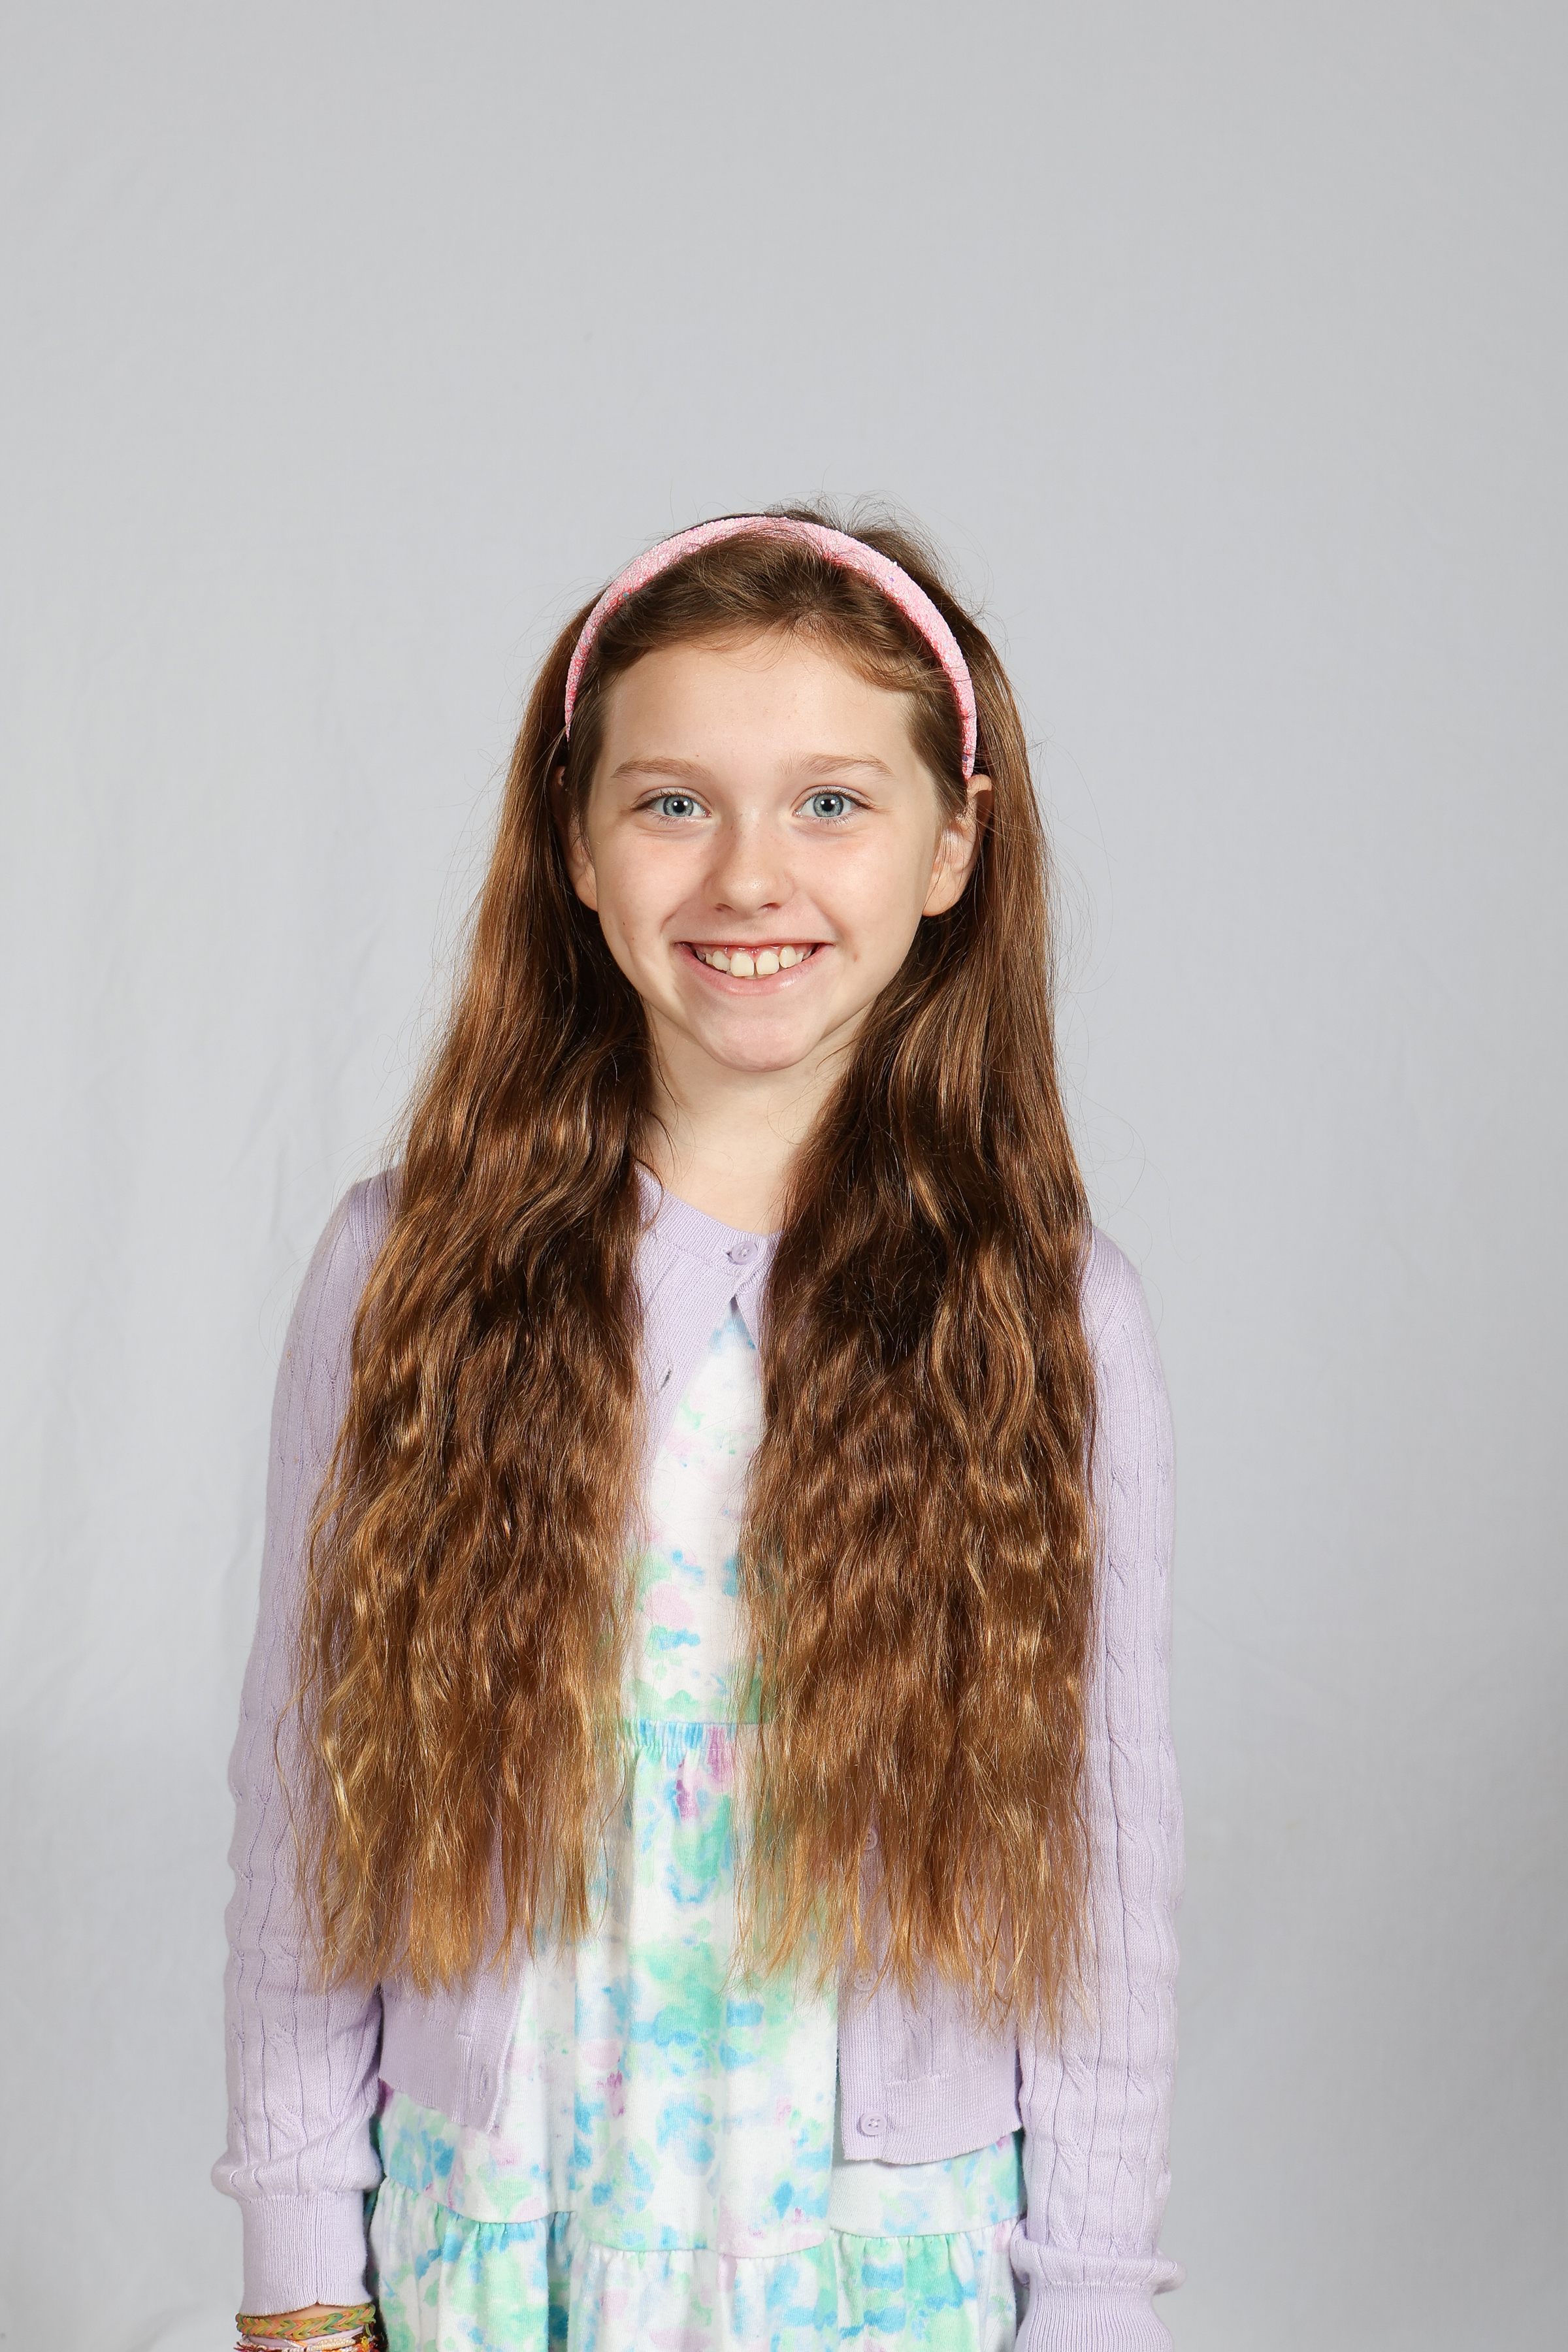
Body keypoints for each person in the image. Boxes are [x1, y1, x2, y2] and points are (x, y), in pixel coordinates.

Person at [215, 509, 1183, 2352]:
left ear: (953, 846)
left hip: (883, 2274)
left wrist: (1092, 2308)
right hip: (494, 2252)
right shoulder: (398, 1272)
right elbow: (306, 1814)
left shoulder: (1051, 1318)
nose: (752, 875)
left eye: (831, 803)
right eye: (674, 804)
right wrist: (300, 2282)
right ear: (576, 845)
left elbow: (1103, 1876)